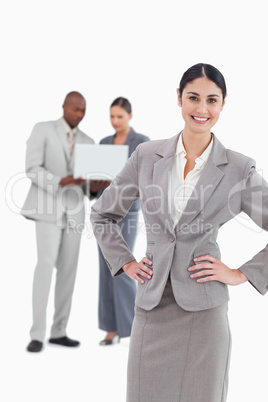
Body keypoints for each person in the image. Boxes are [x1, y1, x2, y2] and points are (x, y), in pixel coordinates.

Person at [91, 63, 268, 401]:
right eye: (193, 98)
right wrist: (125, 262)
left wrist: (242, 273)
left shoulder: (238, 168)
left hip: (204, 314)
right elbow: (101, 213)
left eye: (212, 100)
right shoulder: (146, 156)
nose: (202, 109)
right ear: (179, 98)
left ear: (223, 104)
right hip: (150, 308)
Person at [22, 91, 108, 353]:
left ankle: (59, 331)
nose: (79, 114)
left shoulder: (89, 141)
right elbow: (31, 168)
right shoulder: (43, 130)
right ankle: (37, 333)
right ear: (64, 107)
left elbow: (88, 188)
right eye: (75, 109)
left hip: (74, 213)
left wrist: (95, 186)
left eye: (83, 111)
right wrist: (59, 181)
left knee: (69, 273)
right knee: (45, 267)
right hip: (47, 209)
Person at [97, 97, 150, 345]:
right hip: (105, 212)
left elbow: (148, 180)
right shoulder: (104, 143)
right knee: (106, 268)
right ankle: (110, 327)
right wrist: (94, 183)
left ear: (129, 116)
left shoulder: (141, 143)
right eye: (111, 116)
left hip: (128, 211)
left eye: (119, 116)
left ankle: (129, 326)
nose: (115, 121)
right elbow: (93, 183)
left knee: (123, 263)